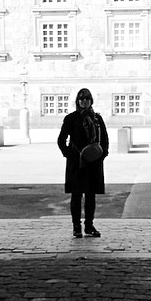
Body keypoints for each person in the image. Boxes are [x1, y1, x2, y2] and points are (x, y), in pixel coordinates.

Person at [57, 88, 109, 238]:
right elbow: (61, 140)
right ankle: (76, 226)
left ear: (91, 101)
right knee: (76, 195)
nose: (84, 101)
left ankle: (89, 225)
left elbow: (104, 138)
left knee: (91, 195)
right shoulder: (71, 118)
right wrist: (69, 155)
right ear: (78, 101)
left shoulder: (97, 119)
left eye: (87, 99)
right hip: (77, 163)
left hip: (93, 162)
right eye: (81, 99)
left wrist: (102, 154)